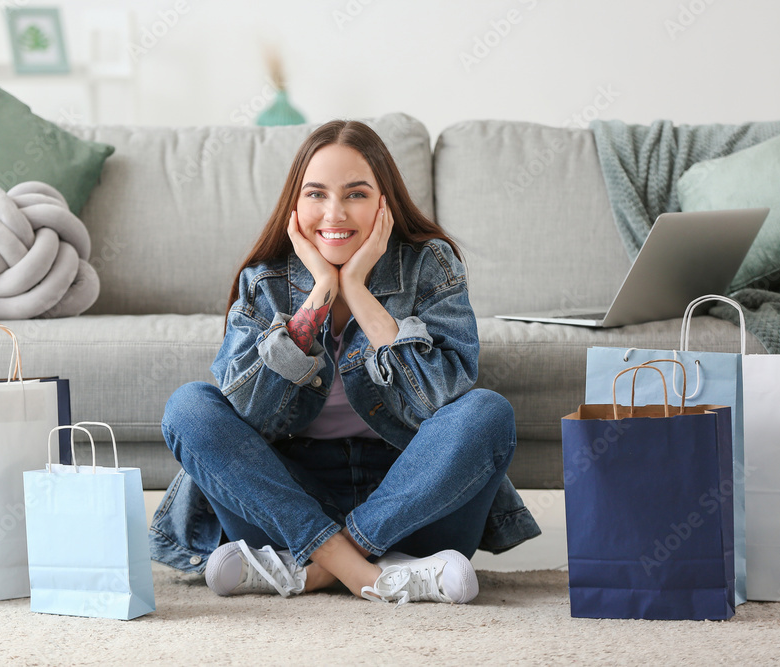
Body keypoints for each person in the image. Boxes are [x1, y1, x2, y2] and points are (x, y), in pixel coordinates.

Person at [149, 119, 540, 605]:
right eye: (316, 194)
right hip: (288, 502)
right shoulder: (265, 280)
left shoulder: (430, 264)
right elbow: (247, 414)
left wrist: (358, 293)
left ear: (385, 202)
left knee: (487, 413)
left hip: (410, 499)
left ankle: (315, 570)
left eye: (355, 193)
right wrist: (318, 297)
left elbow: (442, 399)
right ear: (296, 206)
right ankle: (379, 571)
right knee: (189, 406)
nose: (334, 213)